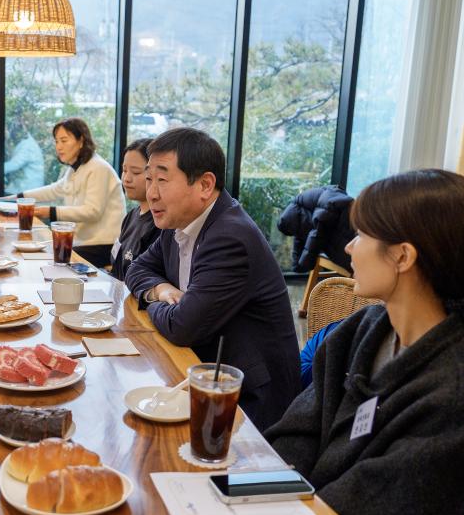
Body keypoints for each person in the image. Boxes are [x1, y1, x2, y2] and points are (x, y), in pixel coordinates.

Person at [266, 170, 464, 515]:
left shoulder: (451, 391)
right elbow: (298, 429)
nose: (348, 247)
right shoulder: (359, 330)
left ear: (403, 257)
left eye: (361, 235)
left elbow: (372, 511)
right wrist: (267, 493)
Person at [124, 127, 300, 430]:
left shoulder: (230, 237)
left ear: (205, 185)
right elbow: (136, 269)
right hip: (199, 372)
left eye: (162, 180)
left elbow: (182, 326)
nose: (151, 193)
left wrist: (155, 305)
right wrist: (162, 291)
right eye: (149, 179)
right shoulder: (177, 223)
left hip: (248, 402)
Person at [18, 117, 126, 267]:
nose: (59, 147)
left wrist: (50, 212)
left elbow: (93, 211)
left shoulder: (98, 168)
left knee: (49, 257)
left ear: (81, 141)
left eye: (64, 140)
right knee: (42, 252)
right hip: (84, 242)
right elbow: (54, 190)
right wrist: (18, 197)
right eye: (56, 141)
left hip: (104, 245)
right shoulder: (76, 168)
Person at [110, 137, 160, 281]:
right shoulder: (131, 216)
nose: (126, 179)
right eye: (124, 170)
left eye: (136, 172)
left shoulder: (159, 224)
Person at [3, 120, 44, 194]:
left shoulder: (28, 146)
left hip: (29, 189)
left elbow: (14, 164)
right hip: (22, 187)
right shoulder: (25, 143)